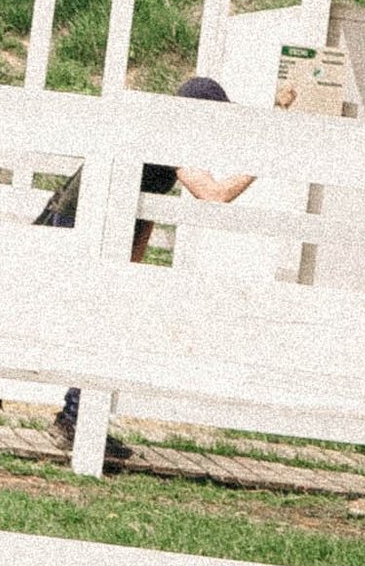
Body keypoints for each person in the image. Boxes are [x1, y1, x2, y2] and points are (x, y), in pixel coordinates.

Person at [40, 72, 264, 460]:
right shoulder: (172, 138)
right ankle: (76, 420)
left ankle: (76, 417)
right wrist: (260, 164)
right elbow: (212, 196)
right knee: (102, 329)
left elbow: (141, 202)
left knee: (103, 326)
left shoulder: (154, 131)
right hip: (85, 226)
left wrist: (133, 267)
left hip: (85, 222)